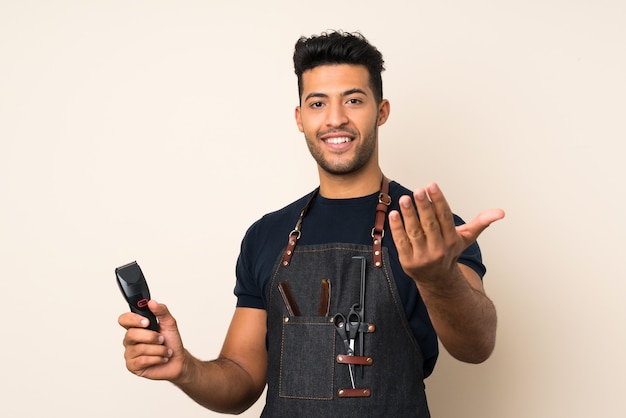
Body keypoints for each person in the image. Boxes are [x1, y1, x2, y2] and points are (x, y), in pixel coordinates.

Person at [118, 30, 505, 417]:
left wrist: (437, 277)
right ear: (300, 118)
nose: (335, 119)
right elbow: (241, 381)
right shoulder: (266, 235)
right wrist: (184, 368)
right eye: (318, 103)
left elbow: (477, 346)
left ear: (381, 111)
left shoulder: (431, 229)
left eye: (354, 100)